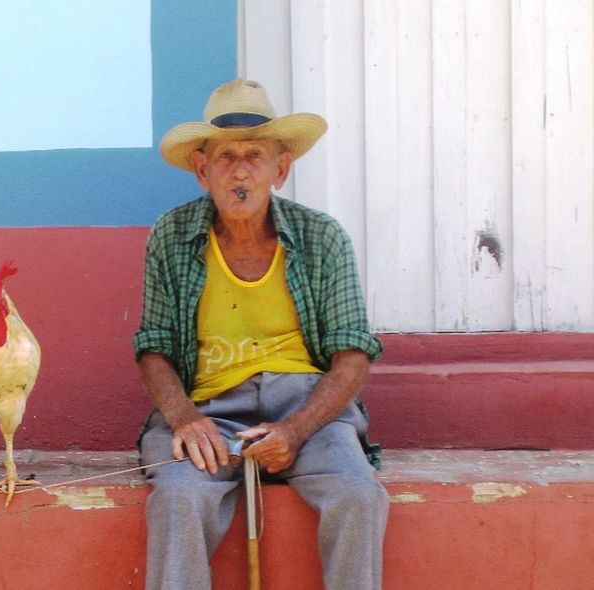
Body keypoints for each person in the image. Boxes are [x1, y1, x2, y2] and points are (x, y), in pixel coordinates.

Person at [133, 78, 388, 590]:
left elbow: (354, 355)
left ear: (281, 169)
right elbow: (154, 348)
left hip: (307, 409)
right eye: (226, 156)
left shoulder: (322, 237)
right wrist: (183, 418)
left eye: (256, 154)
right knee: (177, 500)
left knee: (359, 497)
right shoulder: (172, 235)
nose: (241, 170)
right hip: (209, 410)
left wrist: (294, 431)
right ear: (203, 170)